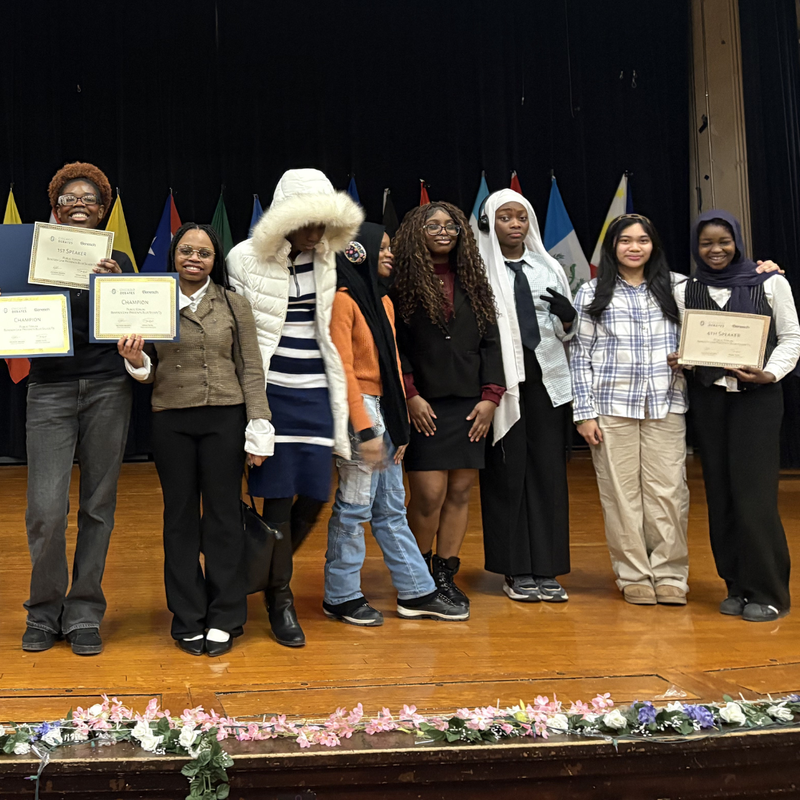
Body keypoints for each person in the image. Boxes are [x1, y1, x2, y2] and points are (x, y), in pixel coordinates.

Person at [118, 224, 272, 656]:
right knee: (180, 517)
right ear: (174, 255)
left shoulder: (234, 304)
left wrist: (259, 426)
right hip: (171, 420)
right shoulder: (153, 301)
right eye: (186, 250)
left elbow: (251, 369)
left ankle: (226, 615)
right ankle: (187, 616)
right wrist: (135, 359)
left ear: (213, 259)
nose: (194, 258)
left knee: (224, 517)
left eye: (203, 253)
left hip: (225, 418)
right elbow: (148, 369)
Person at [226, 168, 363, 647]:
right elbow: (239, 334)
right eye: (306, 222)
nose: (314, 233)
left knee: (317, 493)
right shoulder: (244, 258)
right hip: (273, 392)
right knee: (278, 499)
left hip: (319, 393)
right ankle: (279, 597)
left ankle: (265, 571)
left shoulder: (334, 258)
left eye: (323, 223)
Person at [324, 222, 469, 625]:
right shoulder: (342, 300)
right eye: (382, 248)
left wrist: (398, 426)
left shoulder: (383, 302)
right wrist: (365, 429)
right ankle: (340, 595)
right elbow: (344, 372)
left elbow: (391, 368)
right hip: (361, 411)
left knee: (390, 508)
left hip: (385, 410)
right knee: (354, 509)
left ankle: (416, 592)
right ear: (358, 252)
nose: (389, 254)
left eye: (390, 248)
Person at [21, 162, 134, 656]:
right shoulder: (29, 259)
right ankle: (44, 611)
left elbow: (134, 328)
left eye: (90, 197)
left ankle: (85, 610)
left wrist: (112, 287)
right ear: (56, 208)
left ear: (102, 208)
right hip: (49, 389)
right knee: (45, 511)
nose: (80, 202)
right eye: (70, 197)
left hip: (109, 386)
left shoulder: (122, 261)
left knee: (97, 507)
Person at [671, 210, 800, 622]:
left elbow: (792, 339)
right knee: (721, 494)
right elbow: (687, 341)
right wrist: (684, 359)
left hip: (757, 400)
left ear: (738, 242)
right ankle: (736, 585)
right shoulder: (687, 289)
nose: (715, 250)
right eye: (706, 243)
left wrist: (770, 373)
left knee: (754, 497)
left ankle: (769, 591)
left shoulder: (771, 282)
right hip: (711, 402)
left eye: (723, 242)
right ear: (696, 247)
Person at [570, 214, 690, 606]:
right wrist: (583, 413)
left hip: (665, 404)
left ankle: (670, 573)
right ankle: (633, 574)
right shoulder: (591, 293)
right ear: (613, 247)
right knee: (621, 496)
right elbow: (579, 357)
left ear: (654, 245)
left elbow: (706, 337)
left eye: (642, 240)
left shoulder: (679, 288)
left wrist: (686, 358)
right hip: (609, 408)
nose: (634, 247)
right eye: (625, 241)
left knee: (669, 493)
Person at [392, 201, 505, 608]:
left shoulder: (475, 281)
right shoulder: (400, 283)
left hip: (471, 405)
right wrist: (410, 394)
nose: (444, 231)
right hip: (424, 404)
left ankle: (444, 575)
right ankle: (415, 578)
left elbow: (493, 342)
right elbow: (394, 345)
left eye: (451, 225)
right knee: (428, 493)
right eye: (433, 225)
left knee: (460, 490)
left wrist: (492, 397)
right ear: (416, 234)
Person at [475, 189, 573, 603]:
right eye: (505, 217)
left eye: (521, 217)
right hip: (504, 382)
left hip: (548, 379)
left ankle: (546, 568)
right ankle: (516, 570)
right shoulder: (476, 269)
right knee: (508, 474)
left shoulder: (548, 265)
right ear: (488, 223)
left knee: (548, 472)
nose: (515, 224)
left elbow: (566, 330)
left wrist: (569, 319)